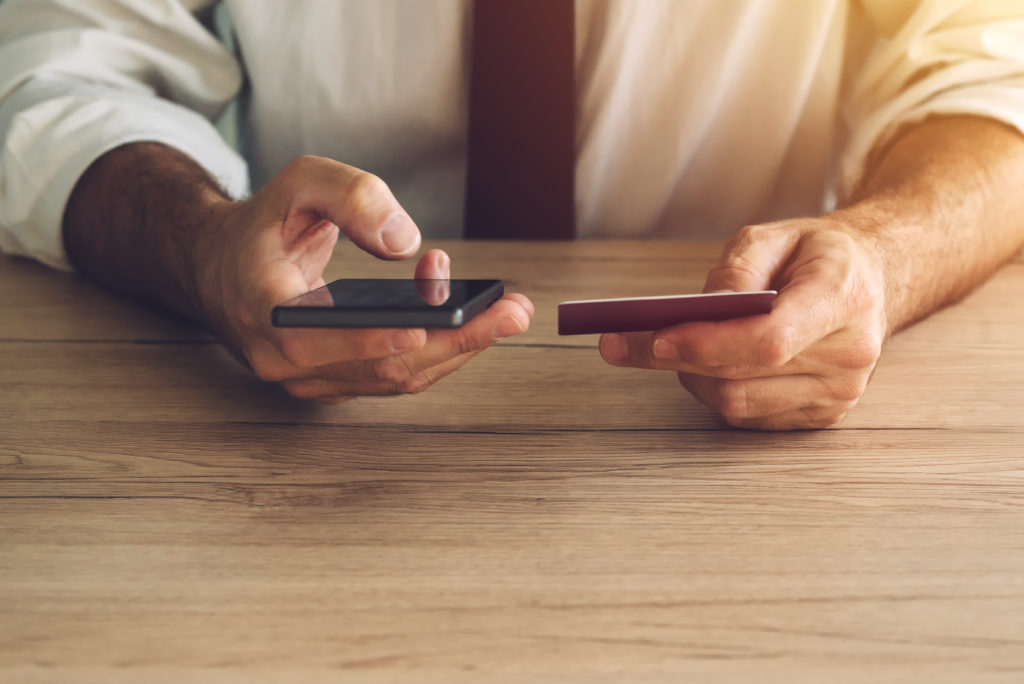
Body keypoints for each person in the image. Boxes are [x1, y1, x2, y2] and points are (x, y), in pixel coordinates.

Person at [1, 1, 1023, 430]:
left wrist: (881, 254)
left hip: (714, 463)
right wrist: (202, 245)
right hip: (308, 460)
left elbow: (992, 74)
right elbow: (54, 75)